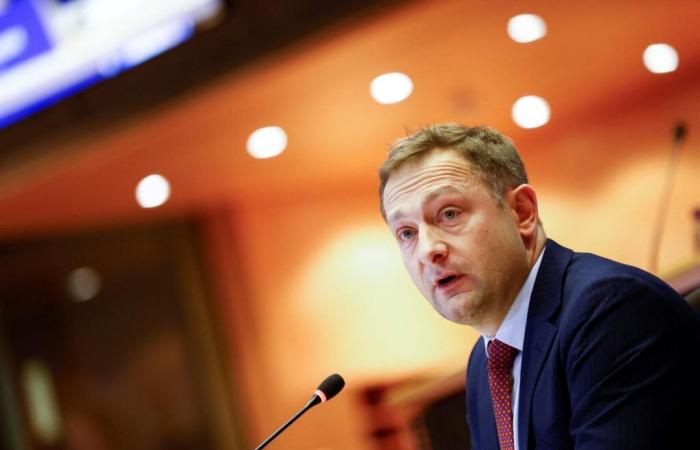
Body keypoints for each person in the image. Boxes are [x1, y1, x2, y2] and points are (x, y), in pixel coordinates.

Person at [378, 123, 700, 450]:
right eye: (406, 233)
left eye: (449, 214)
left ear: (522, 212)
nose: (428, 250)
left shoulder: (611, 312)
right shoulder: (485, 361)